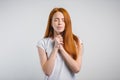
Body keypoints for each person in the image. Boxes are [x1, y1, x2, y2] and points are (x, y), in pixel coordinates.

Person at [37, 7, 83, 80]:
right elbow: (47, 72)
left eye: (63, 20)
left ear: (67, 22)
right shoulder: (42, 43)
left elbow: (77, 69)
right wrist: (55, 48)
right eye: (56, 20)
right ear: (51, 23)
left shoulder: (77, 41)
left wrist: (61, 49)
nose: (60, 23)